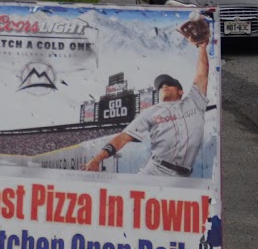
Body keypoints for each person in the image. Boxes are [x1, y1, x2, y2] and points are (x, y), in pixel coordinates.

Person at [86, 16, 212, 177]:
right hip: (156, 171)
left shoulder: (194, 102)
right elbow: (123, 137)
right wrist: (97, 159)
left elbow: (202, 75)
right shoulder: (151, 112)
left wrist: (202, 47)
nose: (163, 86)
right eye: (160, 86)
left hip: (185, 176)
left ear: (181, 91)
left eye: (168, 83)